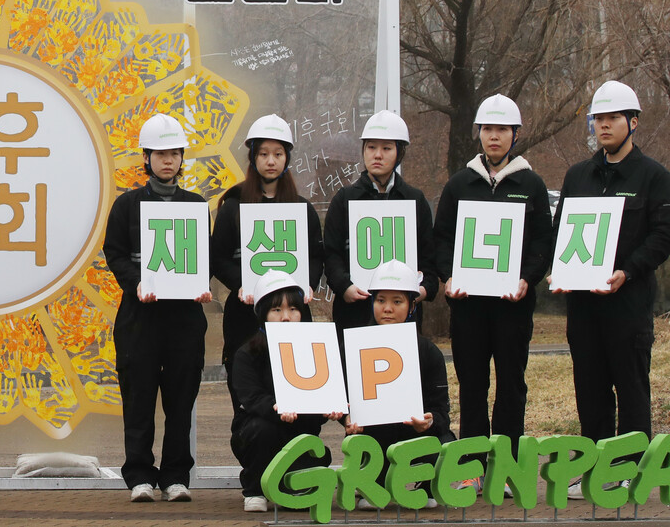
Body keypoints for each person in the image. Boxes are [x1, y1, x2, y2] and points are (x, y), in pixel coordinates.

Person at [552, 81, 670, 500]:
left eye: (612, 118)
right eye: (598, 119)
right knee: (590, 386)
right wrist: (558, 271)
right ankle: (592, 464)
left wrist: (628, 271)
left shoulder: (653, 176)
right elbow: (561, 232)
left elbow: (662, 235)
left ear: (632, 122)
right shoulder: (577, 176)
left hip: (628, 304)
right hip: (583, 306)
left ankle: (629, 467)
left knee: (631, 385)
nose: (603, 125)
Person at [433, 94, 553, 486]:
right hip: (469, 306)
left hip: (512, 305)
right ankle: (472, 465)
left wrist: (527, 278)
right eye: (487, 129)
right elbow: (441, 239)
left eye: (502, 129)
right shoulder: (459, 183)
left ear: (515, 134)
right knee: (472, 385)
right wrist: (448, 277)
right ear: (479, 134)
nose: (494, 136)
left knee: (511, 386)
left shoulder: (531, 184)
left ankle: (506, 465)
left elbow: (543, 241)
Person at [102, 113, 212, 503]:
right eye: (161, 154)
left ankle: (176, 477)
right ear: (146, 158)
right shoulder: (126, 205)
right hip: (139, 319)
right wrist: (136, 283)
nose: (168, 160)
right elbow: (114, 253)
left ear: (182, 159)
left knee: (181, 402)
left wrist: (201, 286)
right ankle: (139, 477)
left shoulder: (196, 206)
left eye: (175, 154)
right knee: (139, 399)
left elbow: (202, 258)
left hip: (184, 320)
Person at [209, 114, 324, 409]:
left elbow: (315, 255)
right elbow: (218, 256)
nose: (271, 161)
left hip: (292, 314)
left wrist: (308, 284)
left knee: (296, 394)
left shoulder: (302, 208)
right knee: (247, 397)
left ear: (287, 158)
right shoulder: (233, 207)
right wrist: (241, 284)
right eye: (263, 154)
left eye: (278, 154)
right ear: (253, 157)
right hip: (245, 317)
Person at [344, 261, 453, 510]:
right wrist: (346, 419)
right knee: (359, 442)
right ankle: (372, 484)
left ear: (412, 306)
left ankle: (427, 486)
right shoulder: (353, 346)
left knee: (444, 440)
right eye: (381, 300)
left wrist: (429, 421)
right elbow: (342, 400)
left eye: (397, 301)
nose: (387, 309)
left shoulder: (429, 352)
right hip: (371, 436)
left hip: (413, 434)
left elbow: (441, 413)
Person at [230, 269, 340, 513]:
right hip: (258, 433)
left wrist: (331, 409)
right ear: (263, 314)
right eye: (276, 310)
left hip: (301, 432)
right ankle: (255, 490)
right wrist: (275, 408)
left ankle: (291, 483)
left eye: (293, 309)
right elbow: (251, 397)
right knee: (263, 429)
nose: (286, 317)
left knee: (304, 485)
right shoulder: (248, 354)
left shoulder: (316, 350)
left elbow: (321, 393)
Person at [322, 111, 437, 342]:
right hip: (354, 312)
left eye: (386, 148)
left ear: (399, 153)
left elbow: (429, 259)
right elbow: (331, 254)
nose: (377, 155)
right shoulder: (344, 199)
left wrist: (421, 291)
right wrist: (345, 287)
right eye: (371, 147)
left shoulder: (415, 200)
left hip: (404, 316)